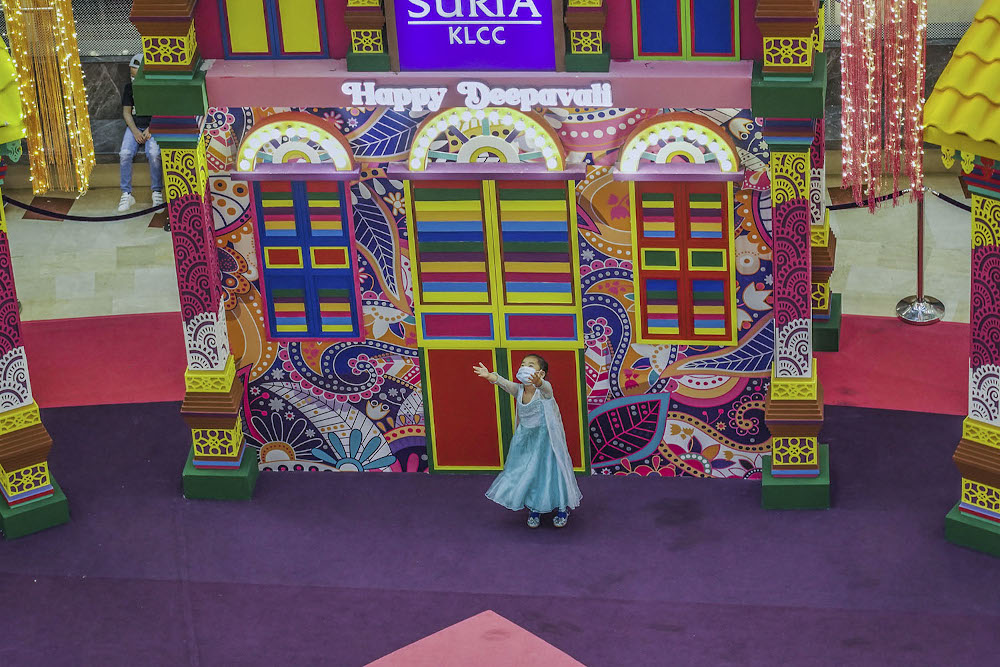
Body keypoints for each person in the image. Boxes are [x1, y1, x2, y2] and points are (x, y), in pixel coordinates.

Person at [474, 354, 582, 528]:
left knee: (552, 473)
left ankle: (562, 508)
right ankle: (534, 507)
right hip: (526, 441)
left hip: (547, 442)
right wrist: (489, 376)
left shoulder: (545, 391)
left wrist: (539, 382)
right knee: (529, 473)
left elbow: (545, 387)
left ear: (541, 373)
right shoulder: (519, 390)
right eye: (523, 364)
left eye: (531, 365)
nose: (524, 367)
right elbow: (503, 383)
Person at [118, 54, 163, 212]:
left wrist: (151, 128)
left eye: (136, 76)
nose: (133, 79)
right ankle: (126, 193)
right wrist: (135, 131)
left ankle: (157, 192)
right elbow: (127, 112)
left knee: (154, 153)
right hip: (135, 126)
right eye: (132, 76)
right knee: (125, 154)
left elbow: (161, 111)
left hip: (153, 126)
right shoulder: (129, 88)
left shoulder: (155, 87)